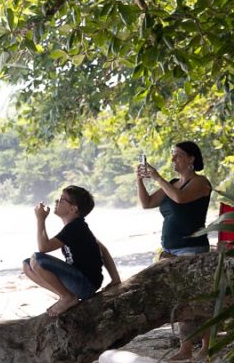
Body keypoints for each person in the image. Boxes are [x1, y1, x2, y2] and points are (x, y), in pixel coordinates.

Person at [138, 141, 211, 360]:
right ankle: (185, 348)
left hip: (192, 248)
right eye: (173, 155)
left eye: (178, 155)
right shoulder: (172, 183)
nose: (173, 159)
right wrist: (139, 180)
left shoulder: (201, 182)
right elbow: (147, 203)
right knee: (178, 300)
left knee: (198, 298)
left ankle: (207, 346)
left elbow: (180, 198)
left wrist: (157, 177)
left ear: (191, 159)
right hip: (170, 249)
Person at [22, 185, 121, 317]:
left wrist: (40, 219)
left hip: (85, 284)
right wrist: (115, 278)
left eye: (62, 199)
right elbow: (103, 249)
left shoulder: (76, 227)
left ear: (73, 209)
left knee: (37, 259)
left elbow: (43, 248)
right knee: (28, 265)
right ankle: (65, 296)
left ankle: (67, 297)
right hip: (78, 281)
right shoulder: (77, 227)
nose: (57, 201)